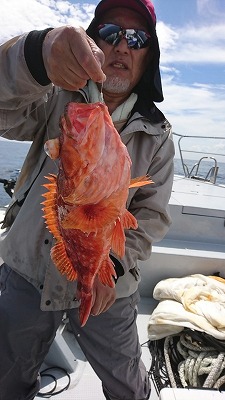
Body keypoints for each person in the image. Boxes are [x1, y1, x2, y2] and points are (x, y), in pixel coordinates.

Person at [0, 0, 174, 398]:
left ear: (150, 57)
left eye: (136, 38)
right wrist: (36, 55)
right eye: (110, 34)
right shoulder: (53, 99)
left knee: (127, 382)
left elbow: (150, 217)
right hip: (29, 269)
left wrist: (109, 263)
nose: (121, 46)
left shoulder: (159, 136)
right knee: (5, 378)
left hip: (110, 280)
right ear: (94, 43)